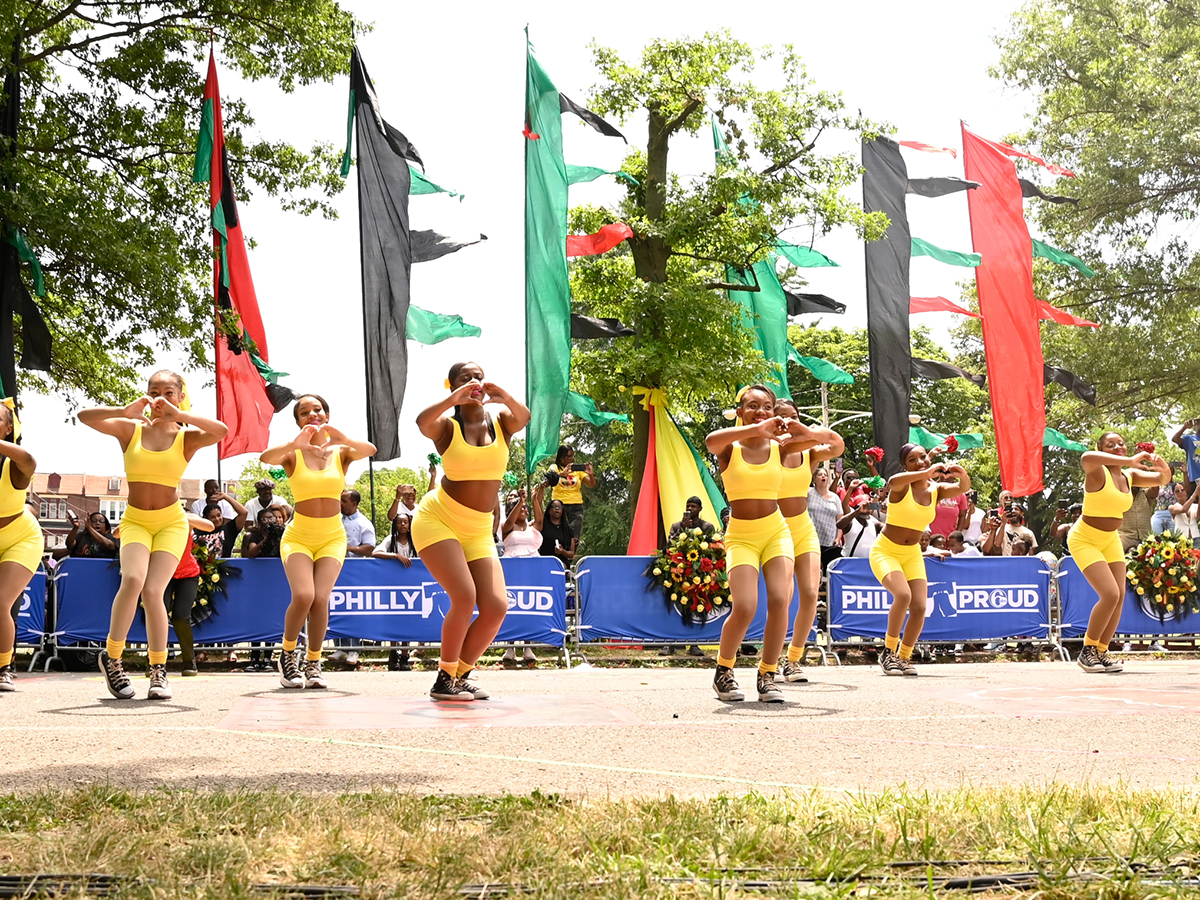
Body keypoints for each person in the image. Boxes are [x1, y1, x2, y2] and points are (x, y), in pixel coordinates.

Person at [79, 371, 227, 700]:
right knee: (132, 580)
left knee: (154, 591)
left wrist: (181, 416)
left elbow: (221, 431)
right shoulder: (131, 429)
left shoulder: (185, 436)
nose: (160, 397)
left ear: (179, 395)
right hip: (135, 521)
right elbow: (84, 416)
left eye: (169, 392)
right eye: (154, 390)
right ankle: (113, 659)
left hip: (171, 522)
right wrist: (125, 410)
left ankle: (158, 670)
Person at [412, 362, 529, 701]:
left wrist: (502, 394)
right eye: (466, 378)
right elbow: (423, 423)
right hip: (439, 519)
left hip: (478, 529)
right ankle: (443, 678)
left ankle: (459, 675)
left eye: (478, 376)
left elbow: (523, 416)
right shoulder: (447, 426)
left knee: (495, 607)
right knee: (464, 597)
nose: (474, 381)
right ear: (452, 385)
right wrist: (454, 399)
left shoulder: (502, 422)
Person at [261, 393, 375, 690]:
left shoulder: (342, 452)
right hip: (299, 536)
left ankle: (313, 662)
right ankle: (287, 655)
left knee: (321, 598)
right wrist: (294, 444)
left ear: (327, 414)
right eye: (304, 412)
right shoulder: (292, 453)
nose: (312, 414)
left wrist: (342, 437)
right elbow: (265, 458)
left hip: (332, 537)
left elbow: (370, 449)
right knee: (303, 596)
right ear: (298, 421)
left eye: (318, 409)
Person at [706, 384, 799, 703]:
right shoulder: (730, 446)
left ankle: (768, 674)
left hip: (776, 531)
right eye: (753, 406)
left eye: (767, 407)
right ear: (740, 411)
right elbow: (710, 441)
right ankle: (723, 671)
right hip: (742, 536)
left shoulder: (780, 447)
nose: (761, 411)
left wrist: (798, 429)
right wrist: (756, 428)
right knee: (745, 606)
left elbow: (827, 442)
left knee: (778, 599)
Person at [1071, 431, 1171, 673]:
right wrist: (1130, 460)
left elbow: (1163, 479)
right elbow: (1086, 456)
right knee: (1109, 593)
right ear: (1101, 449)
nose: (1118, 446)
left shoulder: (1130, 476)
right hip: (1085, 539)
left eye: (1121, 443)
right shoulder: (1096, 471)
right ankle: (1087, 651)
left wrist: (1161, 464)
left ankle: (1102, 651)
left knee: (1119, 597)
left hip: (1110, 539)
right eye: (1110, 444)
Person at [870, 442, 971, 676]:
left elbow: (962, 487)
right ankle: (888, 652)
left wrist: (961, 474)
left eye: (923, 457)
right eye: (912, 460)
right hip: (886, 550)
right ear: (906, 465)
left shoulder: (936, 490)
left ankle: (904, 656)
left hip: (912, 553)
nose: (921, 462)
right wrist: (924, 473)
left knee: (919, 606)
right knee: (903, 595)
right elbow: (893, 481)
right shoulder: (901, 486)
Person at [773, 397, 844, 683]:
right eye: (782, 417)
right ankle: (771, 659)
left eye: (794, 416)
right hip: (776, 529)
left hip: (803, 528)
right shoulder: (770, 450)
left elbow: (837, 445)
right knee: (782, 598)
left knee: (811, 595)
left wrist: (805, 429)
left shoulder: (809, 454)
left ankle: (793, 660)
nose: (788, 421)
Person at [0, 405, 43, 692]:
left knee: (0, 602)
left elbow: (30, 460)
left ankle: (4, 668)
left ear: (8, 429)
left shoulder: (14, 464)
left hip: (20, 537)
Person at [162, 515, 215, 678]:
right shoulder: (157, 518)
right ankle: (156, 663)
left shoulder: (184, 518)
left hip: (188, 573)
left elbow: (210, 526)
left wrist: (181, 515)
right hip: (163, 572)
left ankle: (189, 662)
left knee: (180, 616)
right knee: (159, 614)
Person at [240, 507, 283, 672]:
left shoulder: (281, 535)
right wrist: (266, 539)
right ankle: (254, 657)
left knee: (271, 618)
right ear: (259, 522)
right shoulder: (253, 536)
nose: (268, 522)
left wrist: (276, 537)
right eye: (264, 519)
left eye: (271, 519)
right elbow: (251, 552)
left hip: (274, 581)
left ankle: (267, 657)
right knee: (257, 618)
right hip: (256, 582)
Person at [499, 490, 540, 664]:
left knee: (528, 607)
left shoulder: (531, 527)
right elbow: (509, 521)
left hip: (531, 570)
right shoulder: (506, 527)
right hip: (512, 569)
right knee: (511, 606)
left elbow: (540, 521)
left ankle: (528, 647)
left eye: (526, 508)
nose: (524, 510)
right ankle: (510, 647)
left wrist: (534, 500)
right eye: (520, 508)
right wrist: (520, 500)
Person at [547, 444, 595, 544]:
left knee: (574, 535)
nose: (570, 459)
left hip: (576, 506)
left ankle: (570, 555)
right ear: (560, 457)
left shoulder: (577, 471)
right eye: (567, 456)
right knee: (559, 534)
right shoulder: (554, 467)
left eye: (572, 456)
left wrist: (591, 474)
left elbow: (592, 484)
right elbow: (548, 481)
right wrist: (561, 474)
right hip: (559, 506)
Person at [535, 487, 577, 566]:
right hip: (544, 561)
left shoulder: (567, 529)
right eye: (554, 507)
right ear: (549, 510)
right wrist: (542, 488)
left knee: (560, 568)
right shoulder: (543, 523)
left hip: (561, 563)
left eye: (559, 507)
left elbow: (571, 553)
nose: (557, 509)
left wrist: (562, 551)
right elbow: (538, 503)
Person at [836, 494, 882, 560]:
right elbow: (839, 525)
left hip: (867, 564)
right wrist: (857, 511)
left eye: (868, 507)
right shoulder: (851, 522)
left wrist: (888, 512)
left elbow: (891, 531)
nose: (866, 510)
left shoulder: (874, 524)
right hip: (849, 563)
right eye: (863, 506)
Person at [1118, 483, 1159, 552]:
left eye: (1136, 482)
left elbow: (1155, 488)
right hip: (1126, 538)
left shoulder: (1146, 495)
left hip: (1146, 539)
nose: (1134, 484)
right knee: (1115, 549)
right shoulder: (1121, 496)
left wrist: (1148, 474)